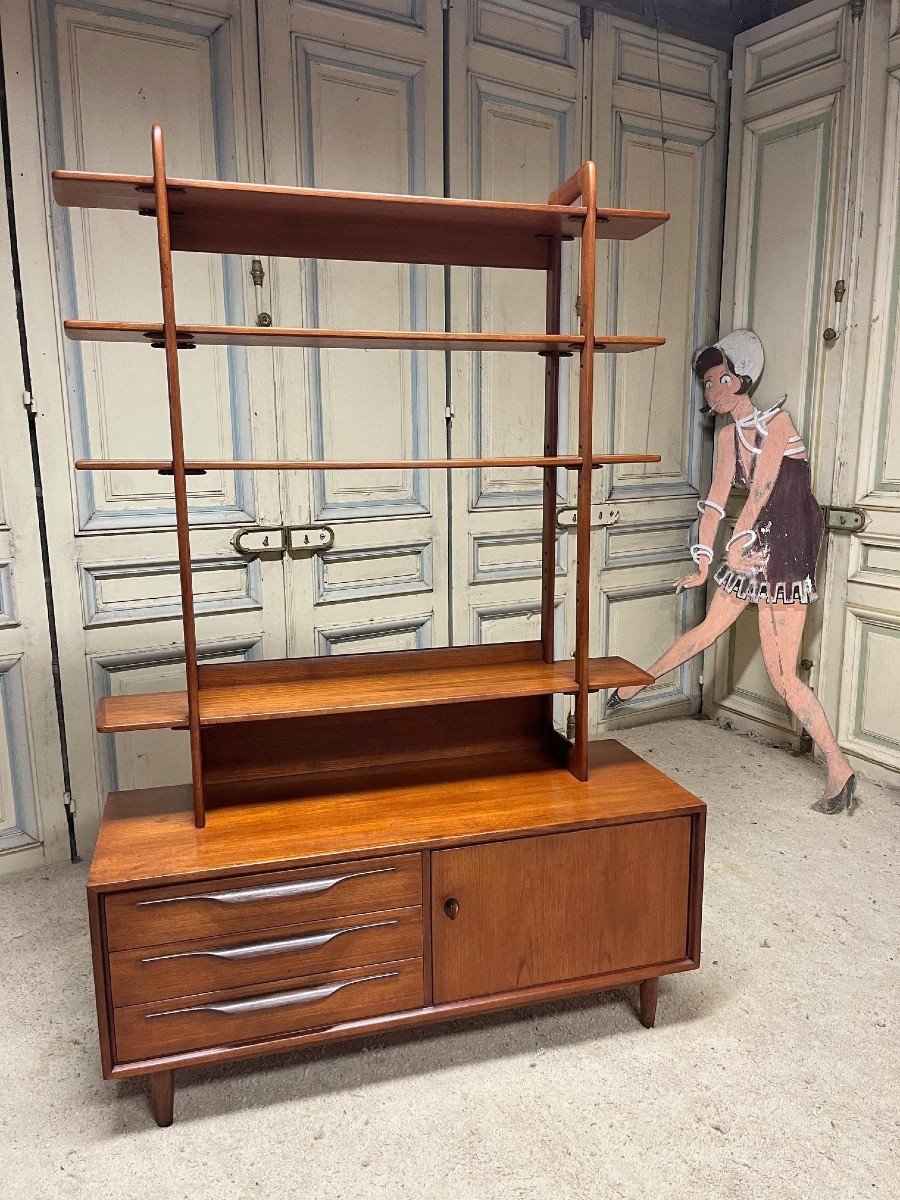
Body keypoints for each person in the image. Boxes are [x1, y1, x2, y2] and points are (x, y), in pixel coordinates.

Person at [608, 329, 857, 814]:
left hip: (786, 548)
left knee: (783, 675)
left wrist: (738, 547)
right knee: (705, 630)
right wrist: (704, 560)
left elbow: (763, 490)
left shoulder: (778, 422)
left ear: (742, 377)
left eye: (721, 379)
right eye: (706, 384)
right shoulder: (726, 436)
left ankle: (839, 768)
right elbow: (717, 501)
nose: (714, 392)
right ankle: (636, 683)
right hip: (755, 542)